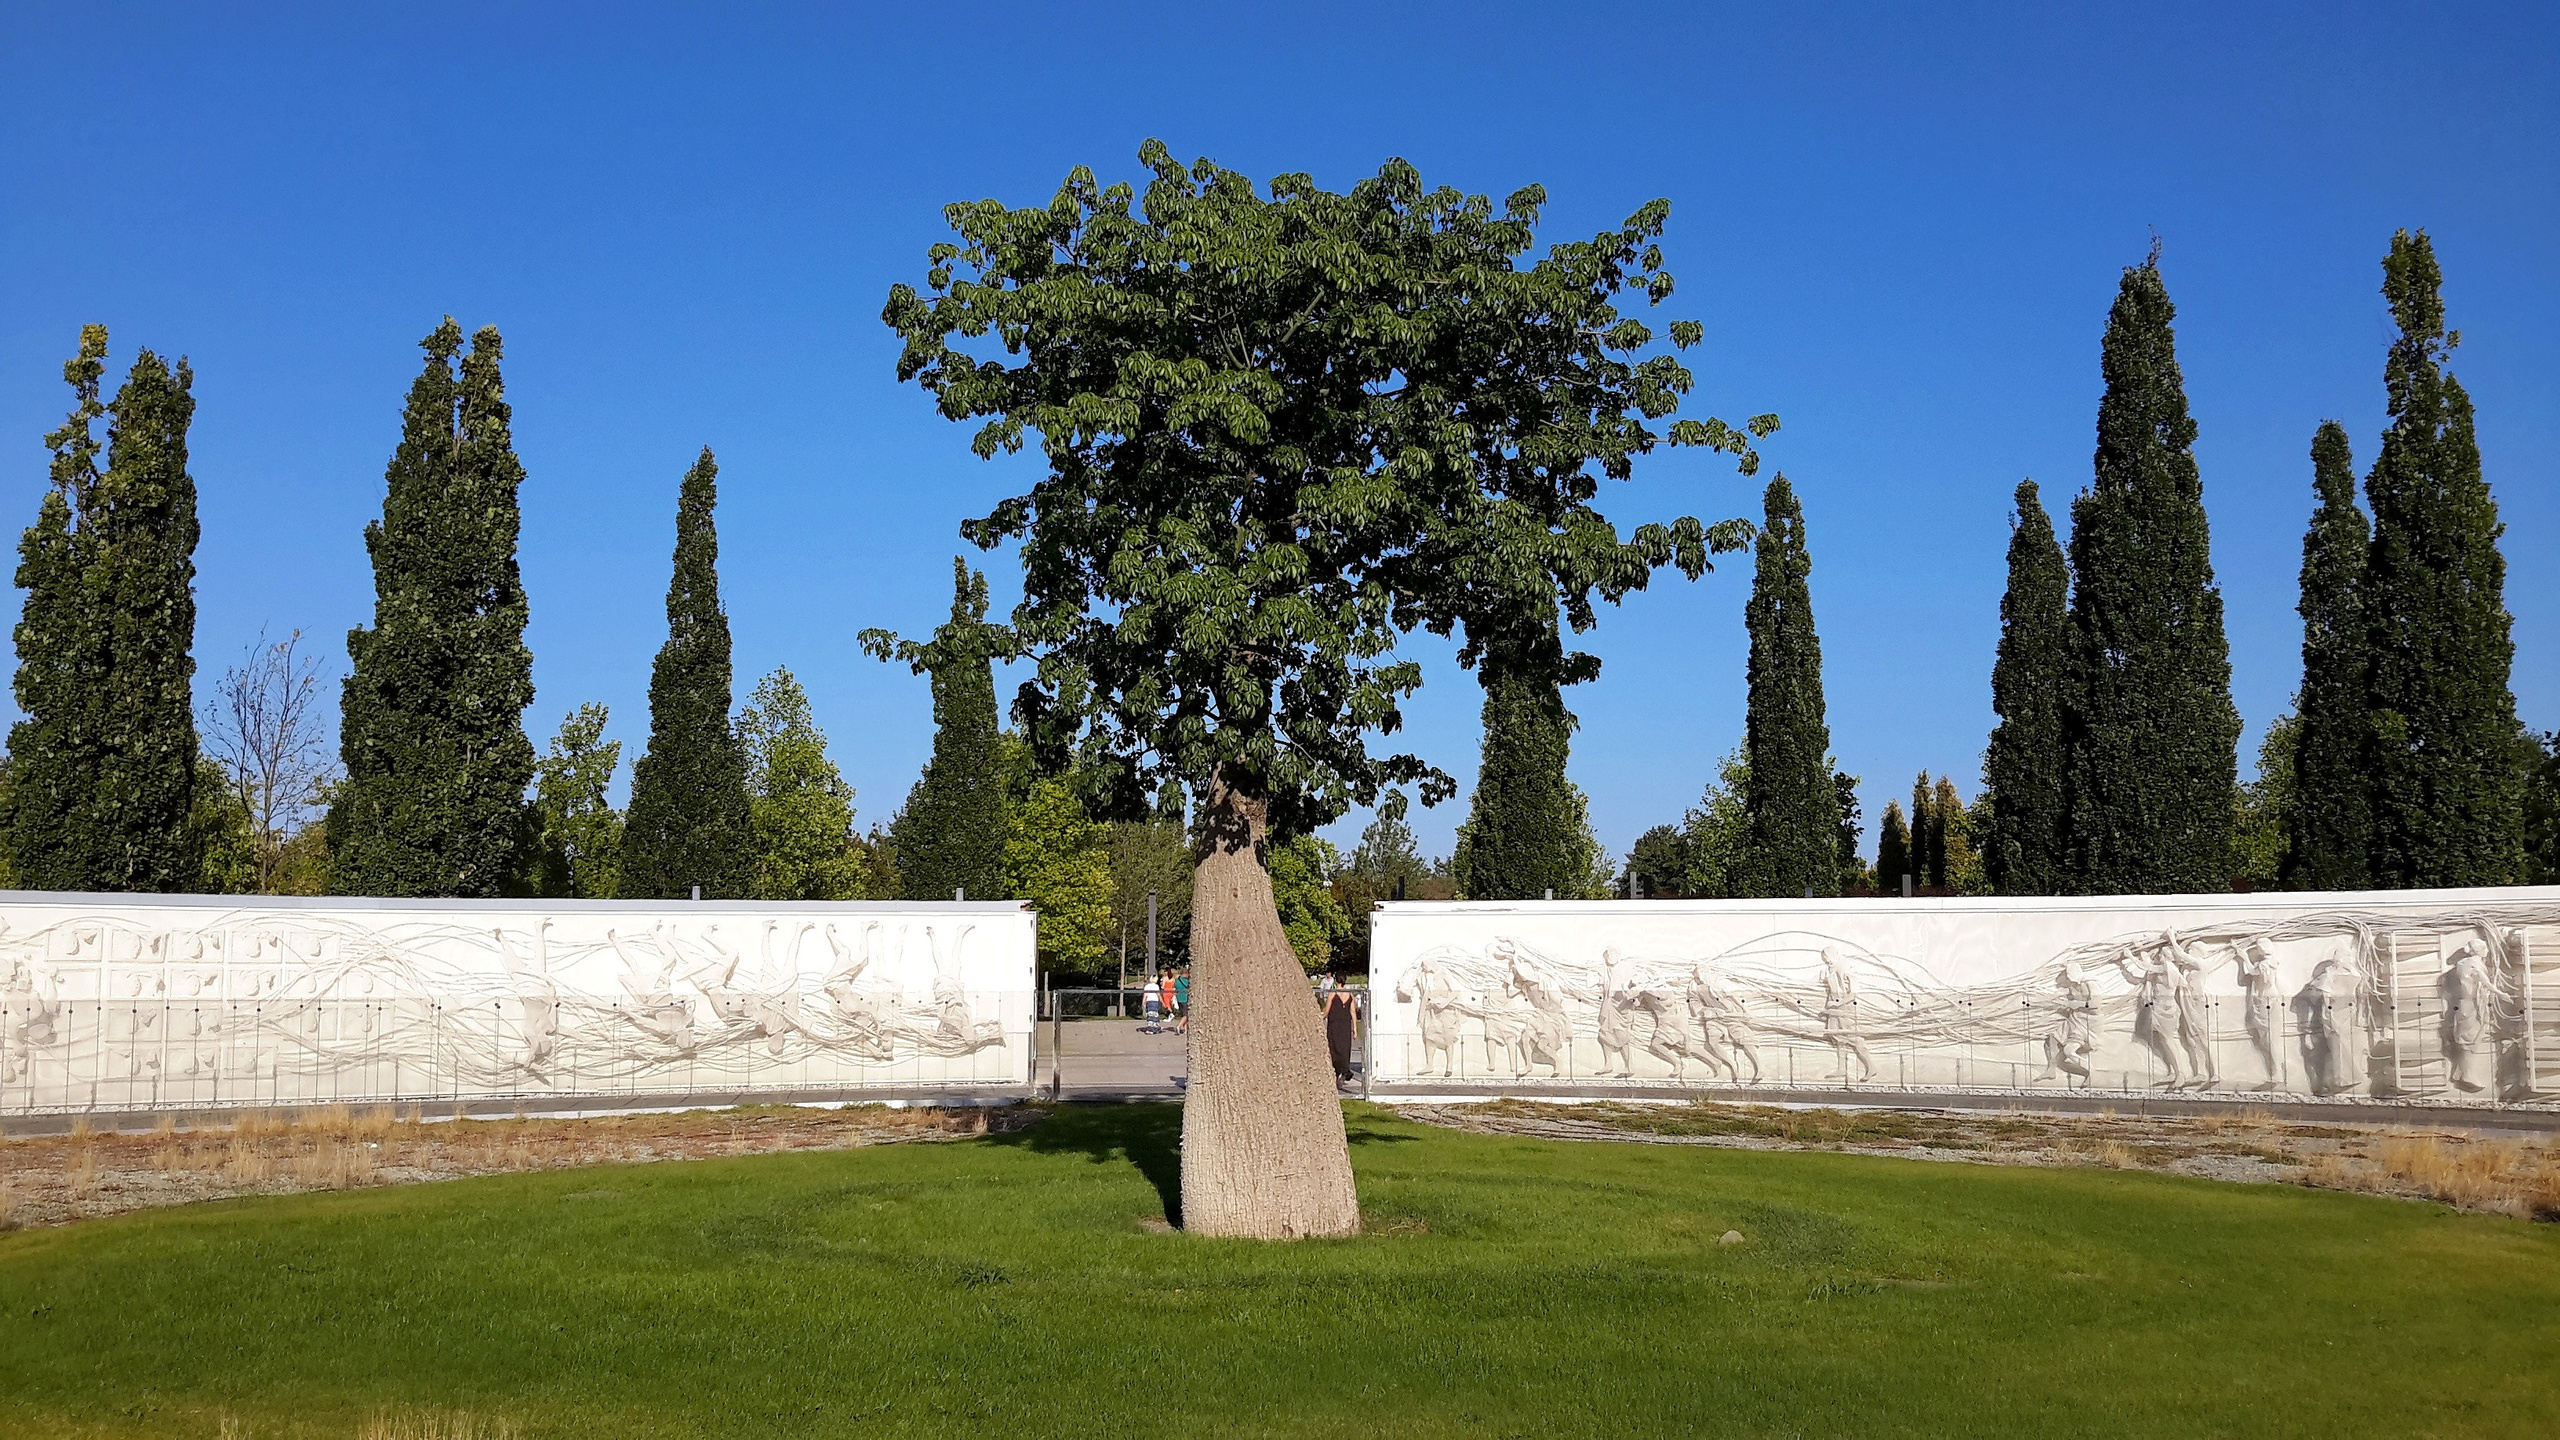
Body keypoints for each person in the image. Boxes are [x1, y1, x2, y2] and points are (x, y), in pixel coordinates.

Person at [1324, 986, 1358, 1085]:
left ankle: (1338, 1071)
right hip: (1345, 1025)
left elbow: (1327, 1009)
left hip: (1334, 1025)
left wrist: (1321, 1017)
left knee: (1334, 1048)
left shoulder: (1333, 993)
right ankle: (1344, 1070)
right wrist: (1354, 1028)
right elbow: (1353, 1012)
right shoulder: (1349, 994)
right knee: (1344, 1048)